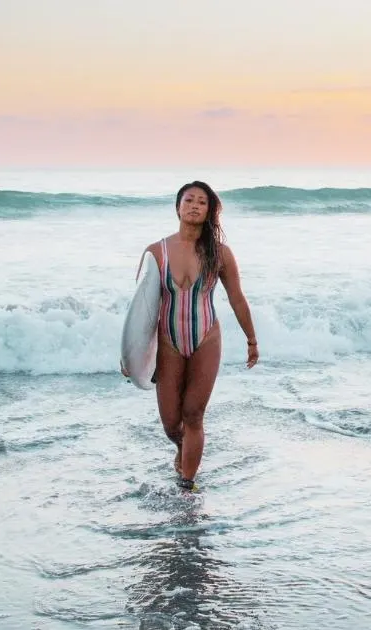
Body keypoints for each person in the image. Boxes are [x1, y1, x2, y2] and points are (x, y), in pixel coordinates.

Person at [127, 181, 259, 491]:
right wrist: (131, 355)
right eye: (189, 200)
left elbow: (237, 298)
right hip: (169, 344)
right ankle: (182, 448)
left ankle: (187, 485)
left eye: (202, 202)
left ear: (209, 210)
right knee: (172, 423)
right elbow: (141, 310)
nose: (195, 205)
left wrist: (251, 340)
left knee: (194, 414)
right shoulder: (156, 252)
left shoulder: (220, 254)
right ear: (178, 207)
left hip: (206, 340)